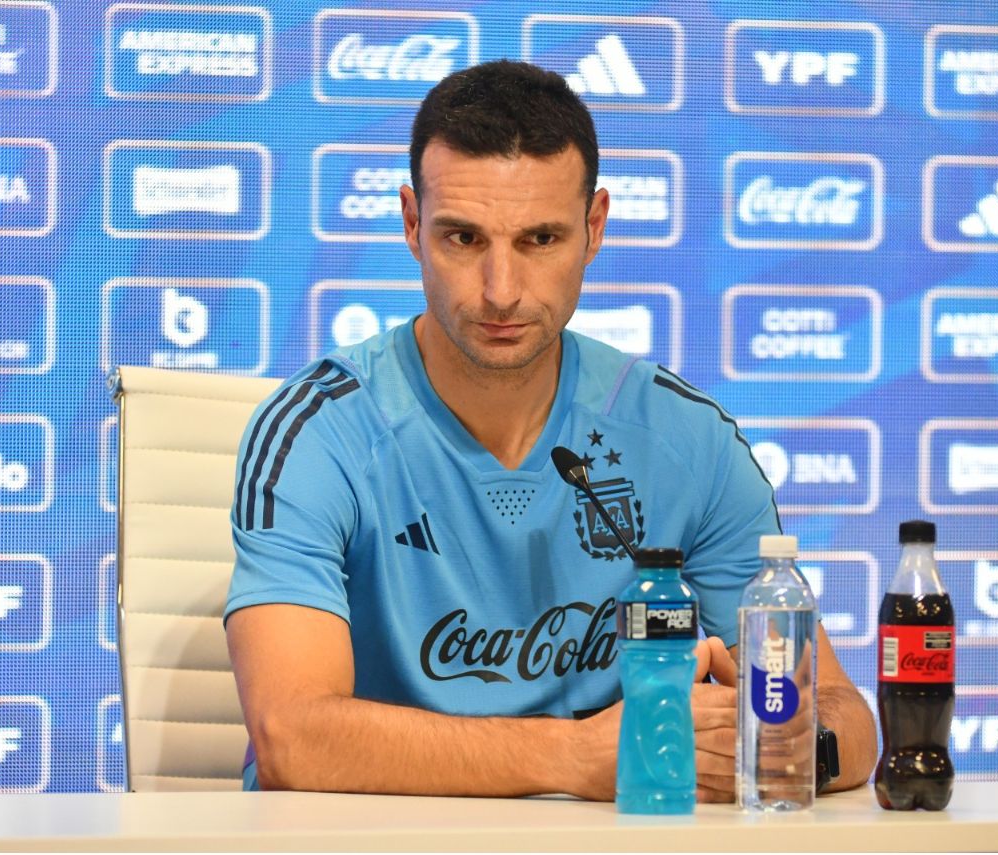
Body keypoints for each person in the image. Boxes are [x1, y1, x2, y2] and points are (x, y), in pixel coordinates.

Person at [224, 59, 876, 800]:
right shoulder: (317, 432)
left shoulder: (686, 439)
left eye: (539, 239)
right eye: (464, 238)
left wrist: (778, 748)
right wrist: (577, 756)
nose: (501, 291)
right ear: (411, 224)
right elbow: (291, 738)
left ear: (594, 228)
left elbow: (843, 714)